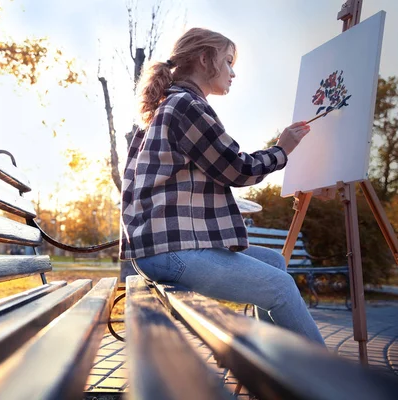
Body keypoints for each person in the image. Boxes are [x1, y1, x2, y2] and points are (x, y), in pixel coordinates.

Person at [119, 27, 325, 346]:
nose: (233, 72)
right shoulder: (186, 104)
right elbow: (237, 169)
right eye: (228, 62)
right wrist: (281, 150)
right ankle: (324, 383)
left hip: (157, 248)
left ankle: (276, 364)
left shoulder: (165, 104)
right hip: (171, 251)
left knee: (275, 264)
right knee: (281, 288)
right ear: (205, 59)